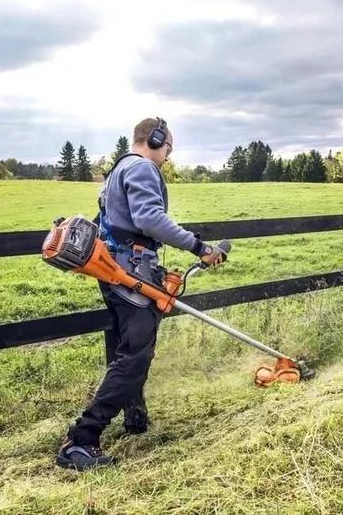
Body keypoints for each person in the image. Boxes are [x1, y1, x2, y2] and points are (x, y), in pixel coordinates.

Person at [56, 117, 226, 471]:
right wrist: (199, 247)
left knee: (131, 352)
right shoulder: (143, 168)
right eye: (167, 148)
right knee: (135, 357)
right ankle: (82, 440)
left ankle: (135, 417)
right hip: (129, 275)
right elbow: (150, 219)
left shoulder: (118, 170)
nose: (167, 156)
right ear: (156, 139)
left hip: (116, 273)